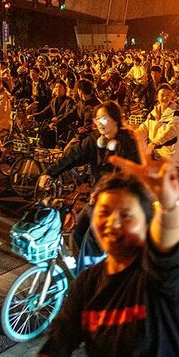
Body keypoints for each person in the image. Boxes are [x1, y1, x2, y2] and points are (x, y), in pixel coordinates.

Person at [24, 136, 179, 357]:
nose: (112, 222)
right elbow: (55, 350)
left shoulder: (157, 274)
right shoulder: (87, 285)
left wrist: (168, 205)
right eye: (105, 212)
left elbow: (167, 244)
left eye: (127, 215)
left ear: (147, 222)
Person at [38, 101, 141, 250]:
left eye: (104, 118)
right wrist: (49, 173)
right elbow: (72, 156)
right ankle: (88, 270)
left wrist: (104, 190)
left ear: (116, 119)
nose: (100, 123)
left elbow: (129, 176)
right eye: (97, 119)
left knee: (92, 241)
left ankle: (101, 271)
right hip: (98, 199)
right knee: (78, 233)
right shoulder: (95, 140)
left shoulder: (128, 144)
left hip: (119, 203)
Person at [137, 84, 179, 168]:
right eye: (162, 95)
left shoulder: (176, 113)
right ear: (157, 97)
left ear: (172, 97)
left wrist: (154, 143)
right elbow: (144, 127)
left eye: (168, 95)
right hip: (156, 153)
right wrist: (134, 135)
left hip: (170, 156)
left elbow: (170, 132)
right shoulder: (154, 112)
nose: (165, 98)